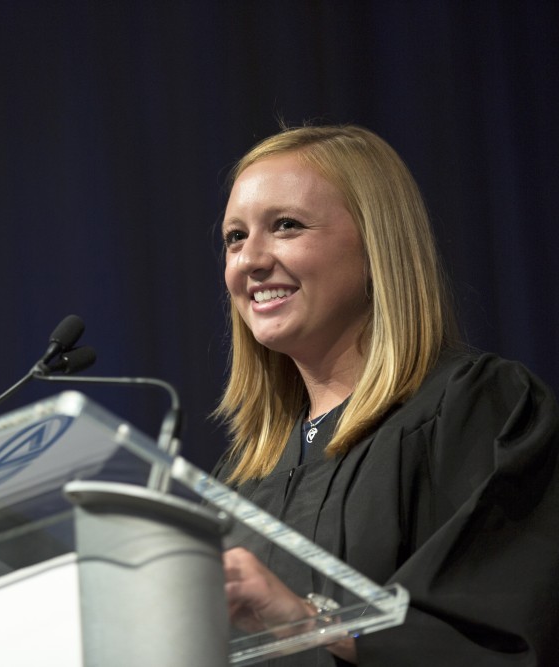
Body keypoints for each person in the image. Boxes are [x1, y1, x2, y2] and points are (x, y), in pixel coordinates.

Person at [212, 124, 559, 665]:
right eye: (236, 237)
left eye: (285, 226)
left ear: (377, 245)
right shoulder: (240, 484)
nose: (250, 261)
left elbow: (500, 634)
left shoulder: (474, 410)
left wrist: (306, 622)